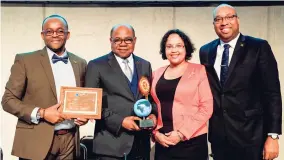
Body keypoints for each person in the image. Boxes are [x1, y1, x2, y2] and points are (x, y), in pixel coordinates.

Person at [199, 4, 282, 160]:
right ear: (214, 24)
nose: (224, 22)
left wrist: (273, 136)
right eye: (218, 19)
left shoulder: (258, 47)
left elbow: (272, 93)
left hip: (251, 137)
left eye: (229, 17)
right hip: (219, 138)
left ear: (237, 20)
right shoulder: (206, 50)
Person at [1, 14, 88, 160]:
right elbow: (8, 100)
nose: (55, 35)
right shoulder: (25, 60)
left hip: (70, 140)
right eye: (49, 31)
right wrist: (41, 113)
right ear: (42, 35)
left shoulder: (79, 62)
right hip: (35, 140)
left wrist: (84, 115)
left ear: (68, 34)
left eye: (60, 31)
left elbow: (83, 99)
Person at [85, 24, 157, 160]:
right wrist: (120, 121)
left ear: (134, 40)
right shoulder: (96, 65)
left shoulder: (145, 64)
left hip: (141, 145)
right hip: (110, 146)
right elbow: (91, 105)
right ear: (110, 41)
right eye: (117, 40)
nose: (122, 44)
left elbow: (149, 98)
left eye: (128, 40)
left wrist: (153, 114)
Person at [151, 29, 213, 160]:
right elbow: (152, 107)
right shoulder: (156, 73)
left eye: (179, 45)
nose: (174, 50)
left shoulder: (199, 71)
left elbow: (206, 108)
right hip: (163, 142)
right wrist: (155, 133)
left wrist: (180, 134)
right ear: (164, 50)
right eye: (169, 46)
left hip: (191, 142)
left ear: (186, 48)